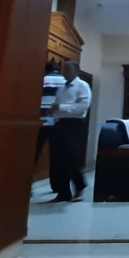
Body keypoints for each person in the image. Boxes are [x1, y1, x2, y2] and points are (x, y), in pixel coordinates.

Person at [48, 60, 92, 202]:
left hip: (75, 125)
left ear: (76, 71)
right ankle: (63, 193)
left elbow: (82, 107)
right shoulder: (61, 88)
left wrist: (61, 108)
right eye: (64, 69)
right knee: (57, 159)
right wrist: (53, 111)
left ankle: (79, 186)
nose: (65, 72)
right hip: (59, 124)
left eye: (68, 69)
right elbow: (57, 106)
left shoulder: (82, 86)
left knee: (71, 157)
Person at [36, 61, 62, 171]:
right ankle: (55, 178)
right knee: (56, 154)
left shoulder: (43, 80)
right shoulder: (65, 82)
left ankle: (29, 175)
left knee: (35, 150)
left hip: (42, 120)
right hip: (58, 122)